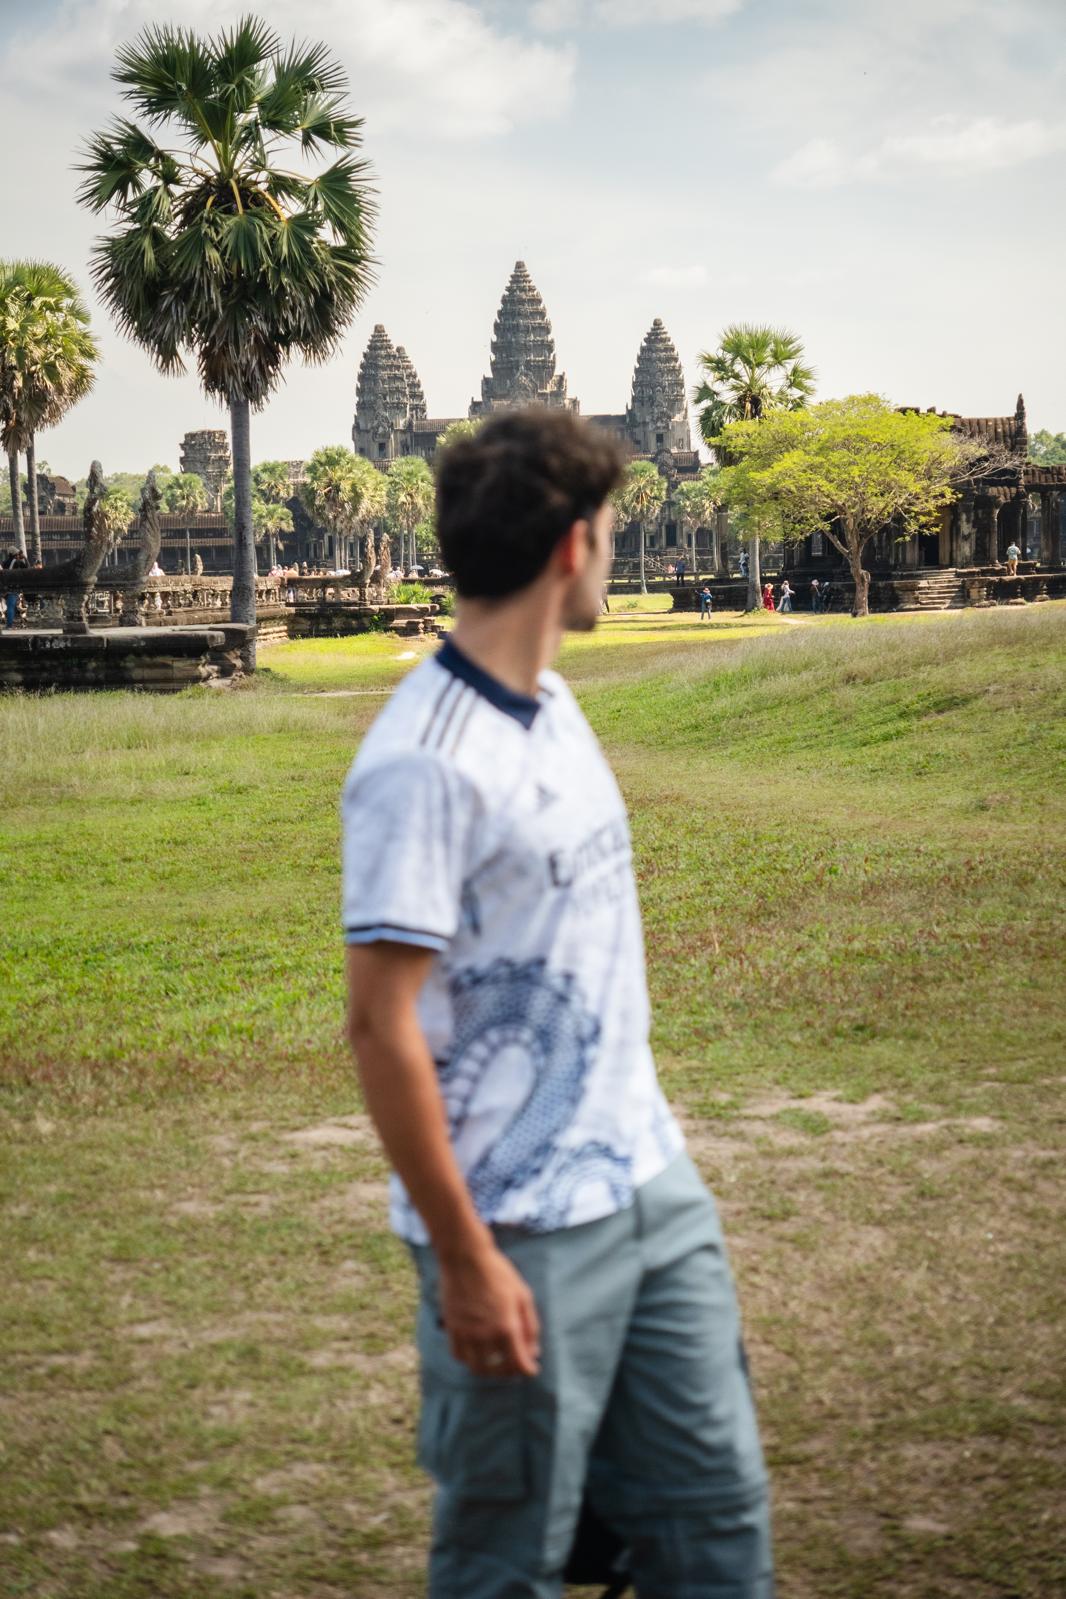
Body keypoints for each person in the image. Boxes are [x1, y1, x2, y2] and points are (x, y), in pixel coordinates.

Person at [342, 409, 772, 1599]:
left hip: (647, 1183)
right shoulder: (421, 762)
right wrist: (468, 1259)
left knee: (713, 1529)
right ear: (574, 548)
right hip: (517, 1229)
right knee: (506, 1559)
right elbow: (379, 1026)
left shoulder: (558, 706)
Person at [3, 548, 27, 629]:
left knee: (10, 605)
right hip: (14, 587)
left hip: (5, 587)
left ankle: (9, 624)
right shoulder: (18, 562)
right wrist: (25, 559)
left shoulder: (4, 562)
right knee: (11, 606)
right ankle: (9, 625)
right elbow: (27, 569)